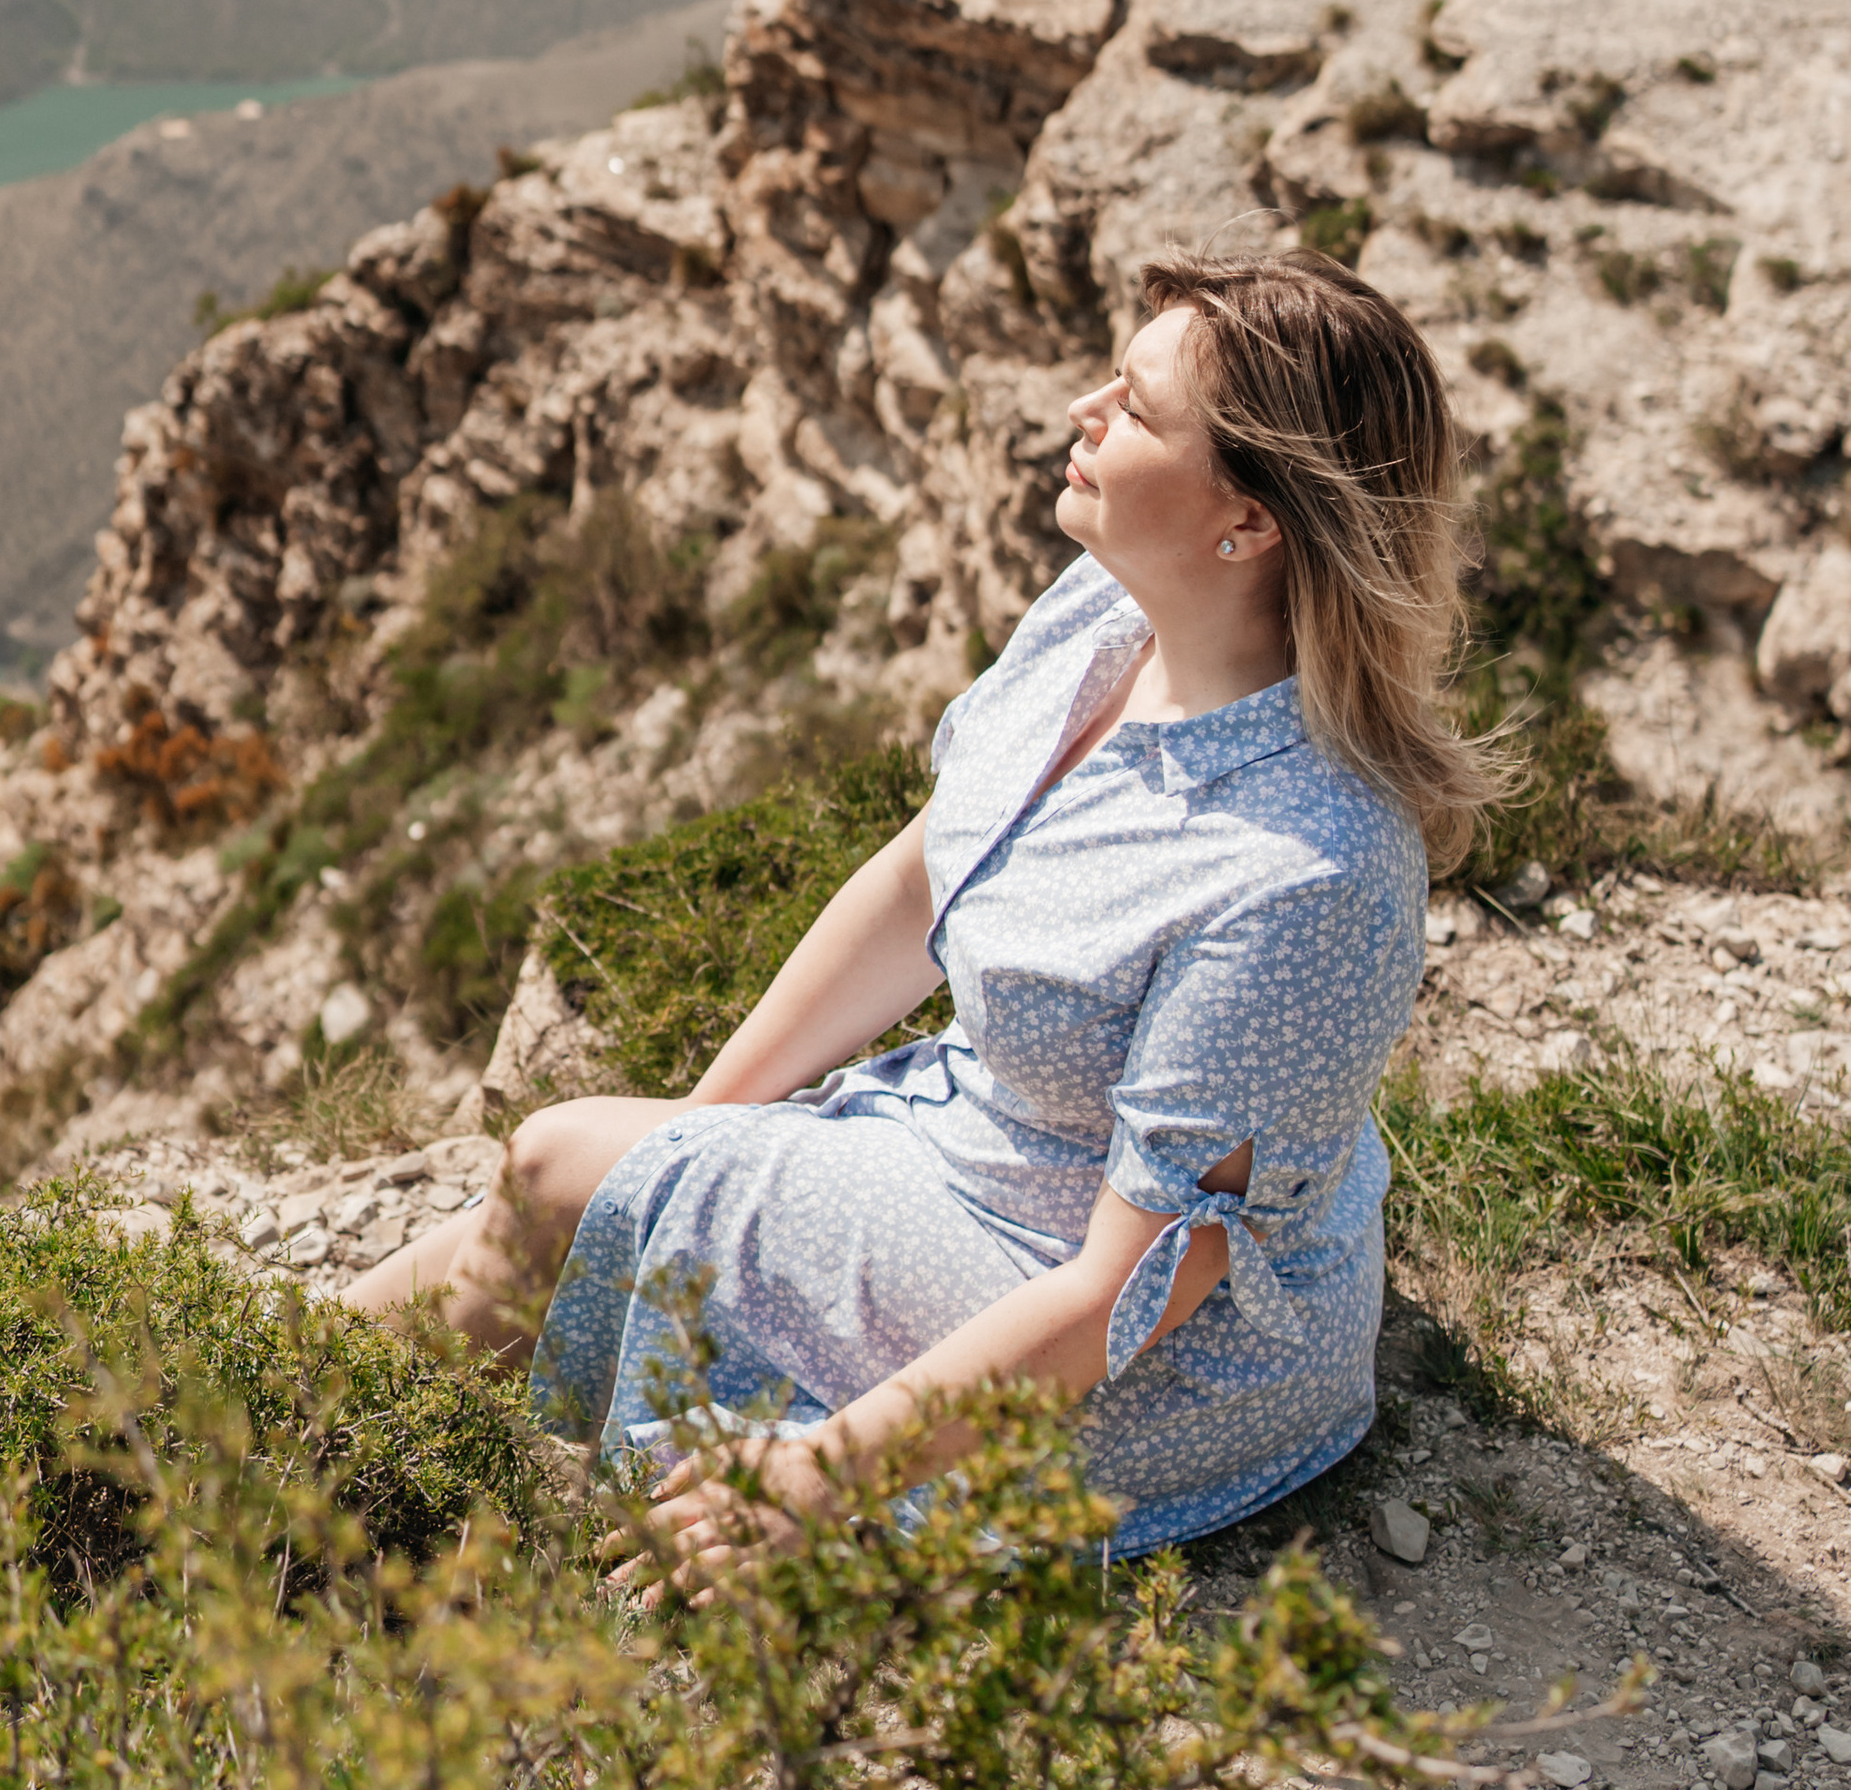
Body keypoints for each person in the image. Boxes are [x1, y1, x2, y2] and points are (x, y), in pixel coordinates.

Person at [346, 247, 1501, 1587]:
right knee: (592, 1179)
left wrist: (825, 1476)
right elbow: (919, 880)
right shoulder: (1106, 621)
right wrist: (699, 1136)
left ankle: (250, 1443)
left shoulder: (1307, 873)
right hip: (999, 1161)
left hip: (1126, 1348)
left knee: (553, 1166)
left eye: (1132, 407)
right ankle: (261, 1391)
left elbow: (1136, 1286)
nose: (1082, 409)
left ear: (1244, 521)